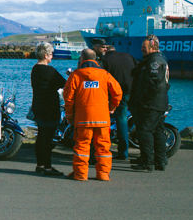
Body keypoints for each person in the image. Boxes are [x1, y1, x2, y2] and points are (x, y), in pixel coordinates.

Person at [62, 48, 122, 181]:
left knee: (82, 147)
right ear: (95, 59)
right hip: (102, 118)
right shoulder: (104, 74)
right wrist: (111, 107)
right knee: (103, 148)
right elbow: (118, 93)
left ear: (82, 59)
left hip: (83, 118)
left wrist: (70, 116)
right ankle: (103, 174)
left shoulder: (76, 75)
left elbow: (68, 98)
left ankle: (80, 174)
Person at [129, 34, 170, 172]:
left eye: (144, 47)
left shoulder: (155, 62)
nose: (141, 49)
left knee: (145, 131)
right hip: (158, 102)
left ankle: (147, 162)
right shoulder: (154, 60)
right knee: (157, 131)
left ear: (153, 47)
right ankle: (160, 160)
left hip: (151, 103)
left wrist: (143, 100)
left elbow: (153, 83)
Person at [93, 39, 138, 160]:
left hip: (118, 93)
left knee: (120, 118)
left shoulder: (105, 60)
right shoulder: (129, 56)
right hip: (133, 91)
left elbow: (102, 78)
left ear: (106, 49)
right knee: (136, 117)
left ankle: (123, 152)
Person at [29, 42, 66, 176]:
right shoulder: (50, 71)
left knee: (41, 136)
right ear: (45, 55)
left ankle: (40, 164)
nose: (52, 57)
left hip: (38, 105)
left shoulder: (34, 69)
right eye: (51, 54)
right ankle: (48, 166)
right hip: (50, 106)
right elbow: (64, 84)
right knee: (48, 137)